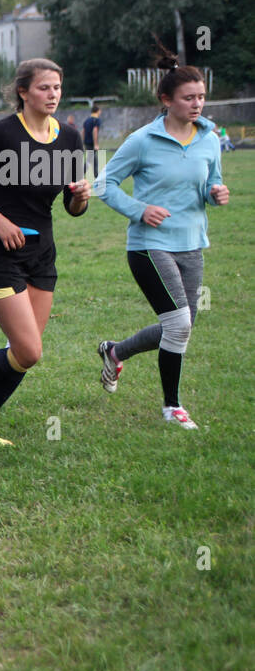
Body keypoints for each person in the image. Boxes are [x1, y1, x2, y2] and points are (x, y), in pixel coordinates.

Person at [0, 58, 91, 446]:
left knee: (24, 353)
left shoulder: (71, 138)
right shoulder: (0, 134)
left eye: (57, 87)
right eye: (44, 87)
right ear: (23, 92)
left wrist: (81, 198)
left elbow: (73, 209)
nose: (52, 94)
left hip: (42, 251)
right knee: (29, 349)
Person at [94, 51, 228, 427]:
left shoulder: (210, 138)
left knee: (180, 325)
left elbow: (208, 183)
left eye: (201, 97)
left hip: (193, 243)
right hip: (149, 245)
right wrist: (140, 210)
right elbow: (103, 184)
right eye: (189, 98)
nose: (197, 104)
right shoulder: (143, 140)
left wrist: (215, 192)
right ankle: (172, 406)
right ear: (167, 100)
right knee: (179, 323)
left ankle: (115, 352)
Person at [83, 106, 102, 177]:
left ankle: (96, 175)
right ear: (98, 111)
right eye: (100, 111)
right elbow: (95, 131)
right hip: (92, 143)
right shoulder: (97, 120)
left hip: (87, 143)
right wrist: (96, 144)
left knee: (92, 160)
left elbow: (83, 131)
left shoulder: (87, 120)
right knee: (91, 160)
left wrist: (83, 142)